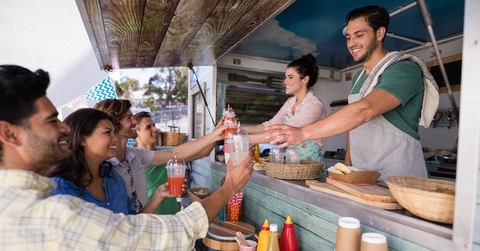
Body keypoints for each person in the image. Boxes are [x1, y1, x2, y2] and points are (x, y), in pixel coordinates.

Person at [0, 64, 254, 250]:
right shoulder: (55, 210)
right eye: (50, 120)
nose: (64, 128)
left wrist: (214, 136)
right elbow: (159, 234)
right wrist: (230, 184)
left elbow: (131, 223)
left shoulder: (115, 172)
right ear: (8, 133)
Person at [266, 5, 439, 182]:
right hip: (364, 176)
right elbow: (354, 125)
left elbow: (365, 110)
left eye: (359, 35)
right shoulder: (358, 78)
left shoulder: (404, 69)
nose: (351, 43)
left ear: (379, 34)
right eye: (348, 37)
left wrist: (302, 133)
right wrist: (348, 165)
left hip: (399, 176)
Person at [94, 99, 223, 213]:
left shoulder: (136, 155)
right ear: (113, 123)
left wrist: (215, 134)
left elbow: (178, 153)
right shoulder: (102, 166)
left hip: (148, 226)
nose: (134, 121)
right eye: (129, 118)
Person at [46, 108, 179, 214]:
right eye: (107, 132)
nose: (114, 139)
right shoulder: (58, 188)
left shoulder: (112, 177)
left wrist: (158, 196)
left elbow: (131, 225)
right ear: (82, 139)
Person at [242, 54, 327, 179]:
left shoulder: (314, 106)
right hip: (293, 165)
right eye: (285, 77)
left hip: (311, 167)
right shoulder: (290, 103)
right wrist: (239, 129)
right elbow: (270, 125)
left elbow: (284, 133)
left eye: (290, 77)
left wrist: (245, 140)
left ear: (305, 80)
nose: (285, 81)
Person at [133, 111, 179, 215]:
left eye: (154, 125)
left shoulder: (166, 152)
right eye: (148, 127)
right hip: (148, 220)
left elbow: (200, 151)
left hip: (171, 218)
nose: (155, 129)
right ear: (136, 133)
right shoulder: (131, 160)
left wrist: (218, 133)